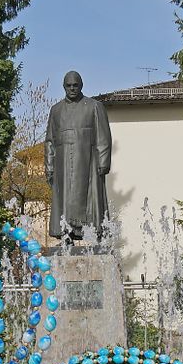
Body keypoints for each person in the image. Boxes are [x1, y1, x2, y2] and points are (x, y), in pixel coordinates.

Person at [44, 71, 112, 241]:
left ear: (81, 85)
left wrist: (103, 162)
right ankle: (66, 235)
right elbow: (50, 141)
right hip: (63, 166)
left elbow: (103, 136)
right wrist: (49, 166)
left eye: (76, 85)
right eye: (69, 85)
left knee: (91, 201)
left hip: (88, 162)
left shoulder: (94, 106)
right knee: (64, 201)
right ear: (64, 86)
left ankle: (96, 236)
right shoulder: (56, 110)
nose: (72, 88)